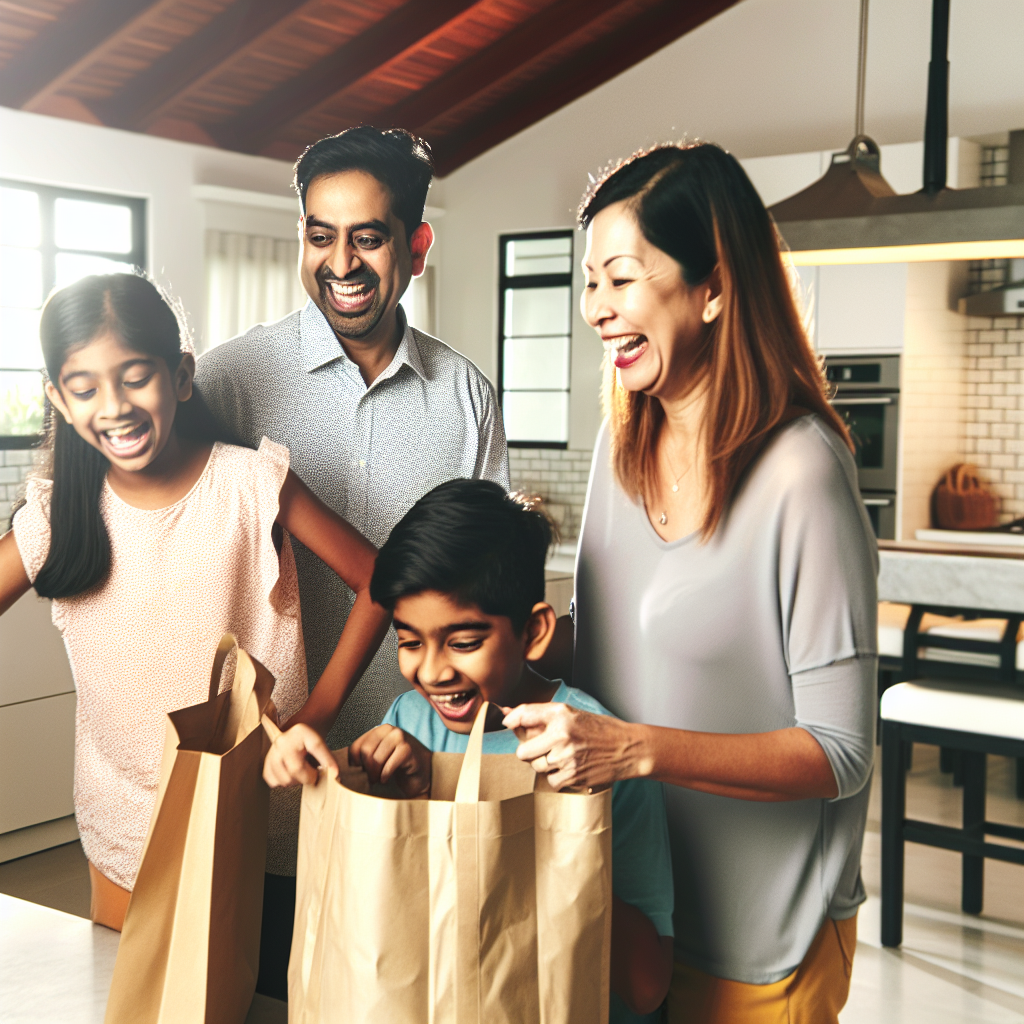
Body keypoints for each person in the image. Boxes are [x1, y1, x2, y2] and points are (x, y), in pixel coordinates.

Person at [504, 143, 878, 1024]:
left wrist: (636, 748)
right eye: (589, 281)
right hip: (632, 915)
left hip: (763, 943)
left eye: (622, 279)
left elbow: (842, 751)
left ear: (712, 287)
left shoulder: (801, 473)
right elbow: (597, 656)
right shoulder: (621, 446)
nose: (596, 309)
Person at [0, 274, 390, 997]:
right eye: (82, 388)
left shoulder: (250, 483)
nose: (113, 406)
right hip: (120, 823)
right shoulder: (59, 514)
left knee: (260, 998)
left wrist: (316, 716)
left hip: (255, 816)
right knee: (130, 997)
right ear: (57, 399)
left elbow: (381, 580)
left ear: (179, 376)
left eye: (134, 377)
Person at [265, 479, 675, 1022]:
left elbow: (647, 987)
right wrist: (379, 785)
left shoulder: (595, 745)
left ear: (532, 632)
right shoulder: (409, 721)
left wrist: (561, 829)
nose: (431, 671)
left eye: (463, 642)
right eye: (410, 641)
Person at [195, 126, 509, 756]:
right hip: (263, 761)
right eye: (320, 237)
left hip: (417, 755)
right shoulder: (227, 381)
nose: (341, 264)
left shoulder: (466, 397)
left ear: (417, 247)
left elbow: (489, 586)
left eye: (367, 239)